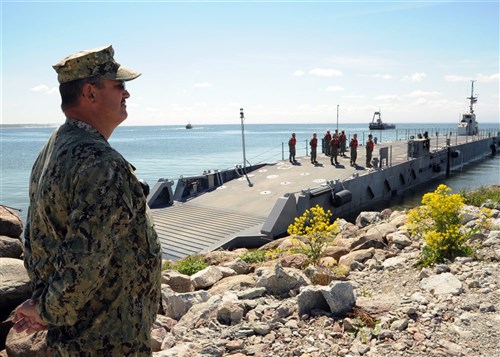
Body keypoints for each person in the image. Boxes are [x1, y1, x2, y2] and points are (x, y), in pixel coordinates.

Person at [12, 45, 162, 356]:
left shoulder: (56, 146)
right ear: (90, 93)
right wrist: (46, 311)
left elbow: (38, 241)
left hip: (82, 334)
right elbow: (85, 261)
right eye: (118, 85)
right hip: (107, 337)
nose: (127, 94)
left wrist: (44, 304)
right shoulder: (100, 163)